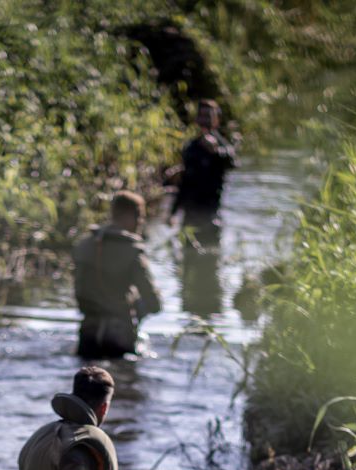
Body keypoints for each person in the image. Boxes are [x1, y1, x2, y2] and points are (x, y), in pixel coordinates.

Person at [71, 191, 162, 358]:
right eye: (140, 218)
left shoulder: (84, 245)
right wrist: (141, 309)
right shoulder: (133, 250)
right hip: (119, 335)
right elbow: (154, 302)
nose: (140, 224)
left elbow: (79, 290)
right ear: (130, 216)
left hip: (88, 332)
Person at [169, 99, 236, 228]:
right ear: (197, 119)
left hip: (210, 215)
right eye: (202, 116)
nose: (205, 120)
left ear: (216, 120)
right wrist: (173, 212)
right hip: (189, 216)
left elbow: (232, 163)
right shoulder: (191, 146)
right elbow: (184, 183)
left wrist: (216, 150)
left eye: (209, 116)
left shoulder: (222, 145)